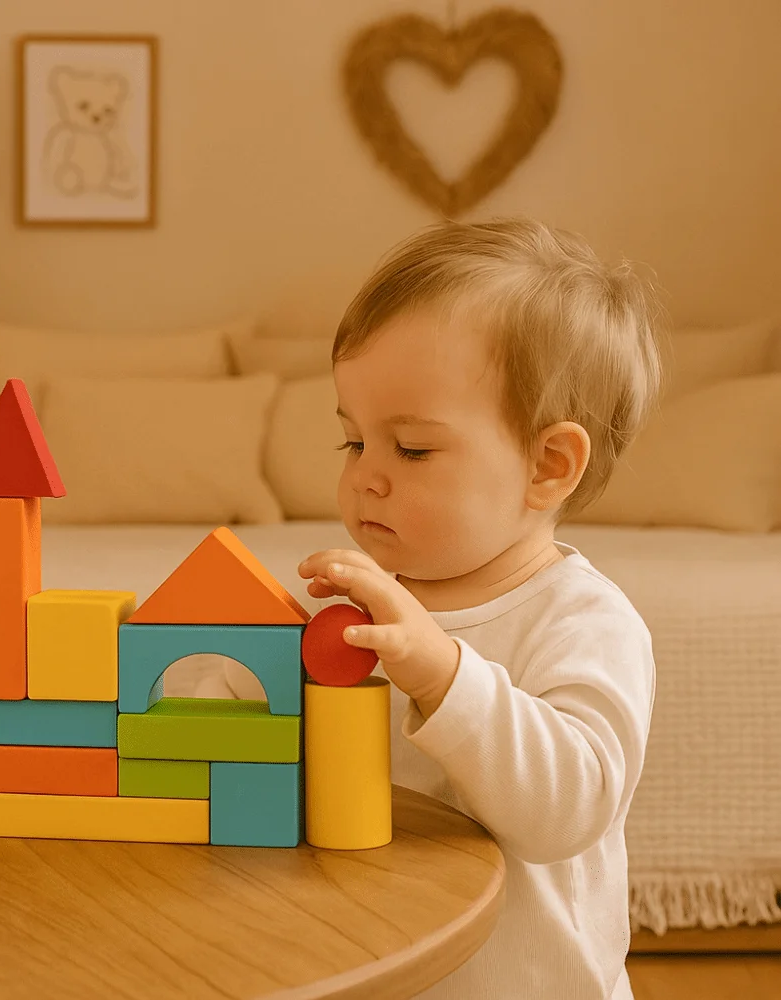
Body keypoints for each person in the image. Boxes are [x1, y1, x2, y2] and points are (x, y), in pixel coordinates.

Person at [201, 217, 668, 999]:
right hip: (372, 970)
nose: (366, 478)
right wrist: (221, 686)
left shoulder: (583, 621)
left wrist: (444, 672)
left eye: (411, 449)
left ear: (548, 467)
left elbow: (570, 807)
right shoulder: (360, 603)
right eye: (353, 443)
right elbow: (267, 735)